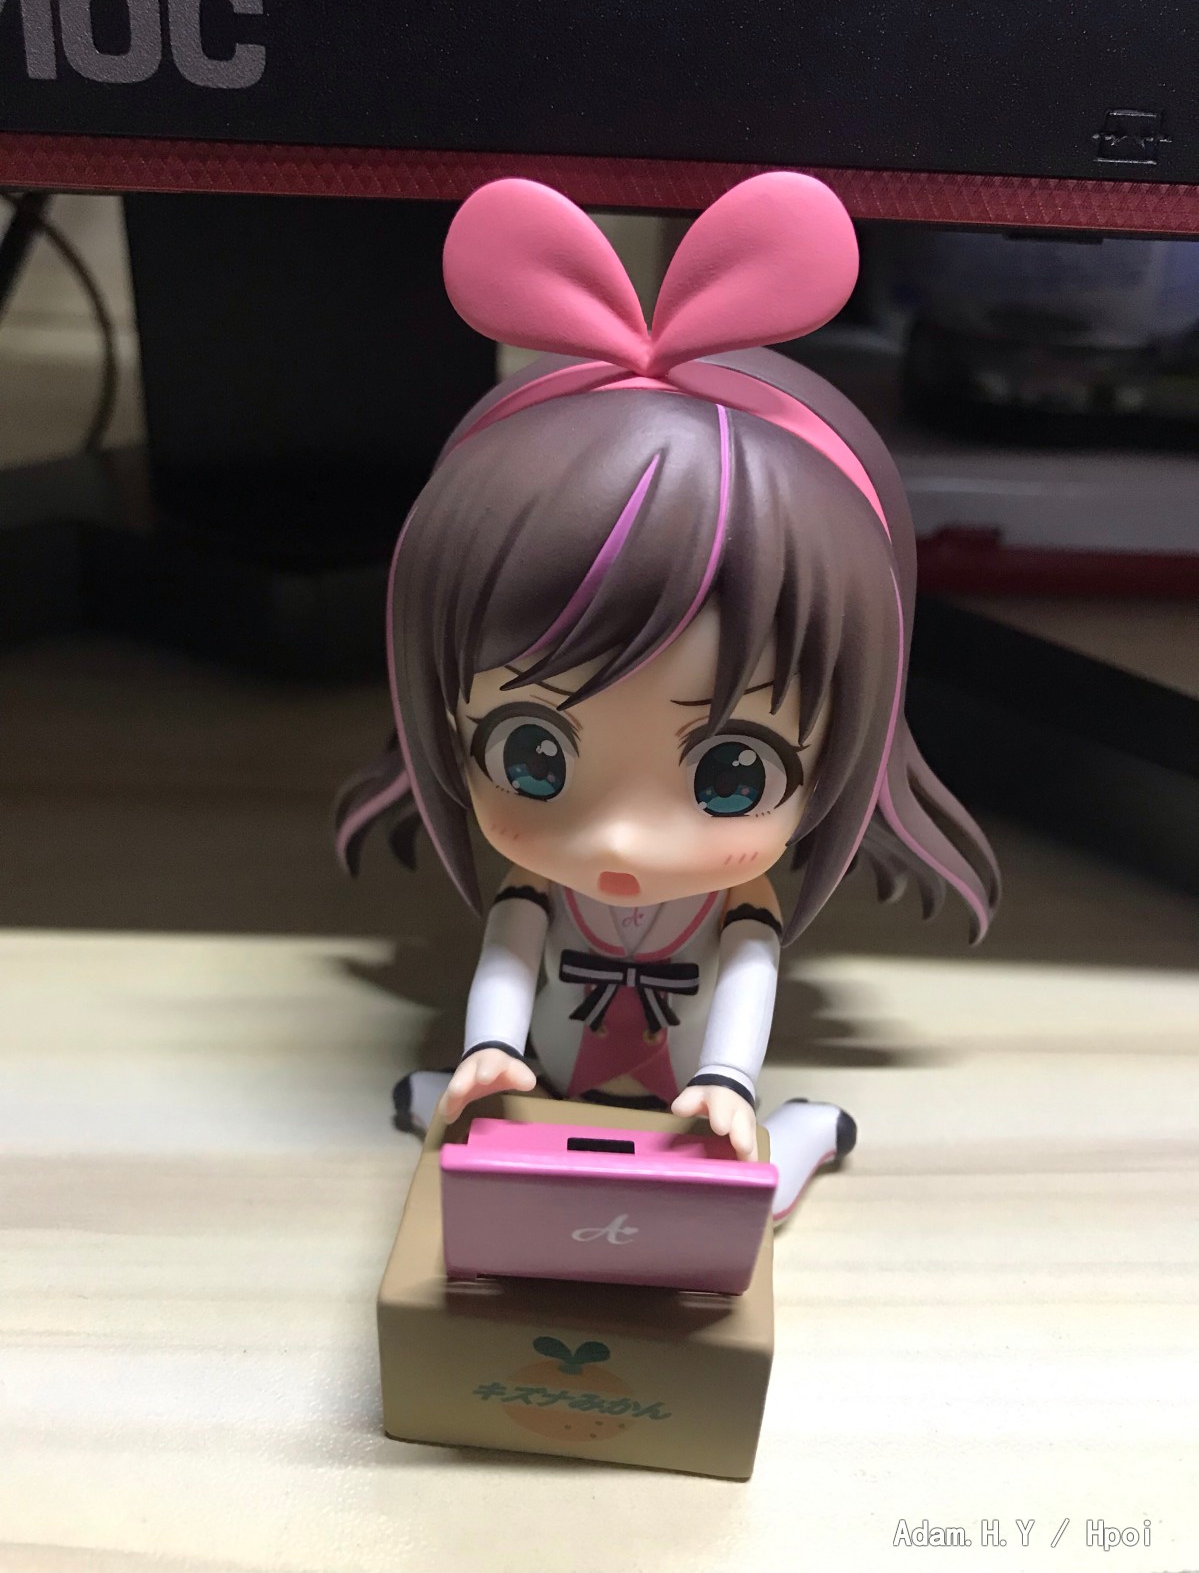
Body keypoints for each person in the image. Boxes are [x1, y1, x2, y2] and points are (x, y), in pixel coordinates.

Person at [336, 173, 999, 1220]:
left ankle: (799, 1133)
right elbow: (507, 959)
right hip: (553, 1065)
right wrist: (488, 1050)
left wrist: (729, 1081)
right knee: (494, 1159)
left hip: (690, 1086)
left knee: (728, 1201)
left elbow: (746, 979)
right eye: (531, 757)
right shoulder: (535, 887)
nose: (623, 840)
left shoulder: (734, 905)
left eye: (732, 773)